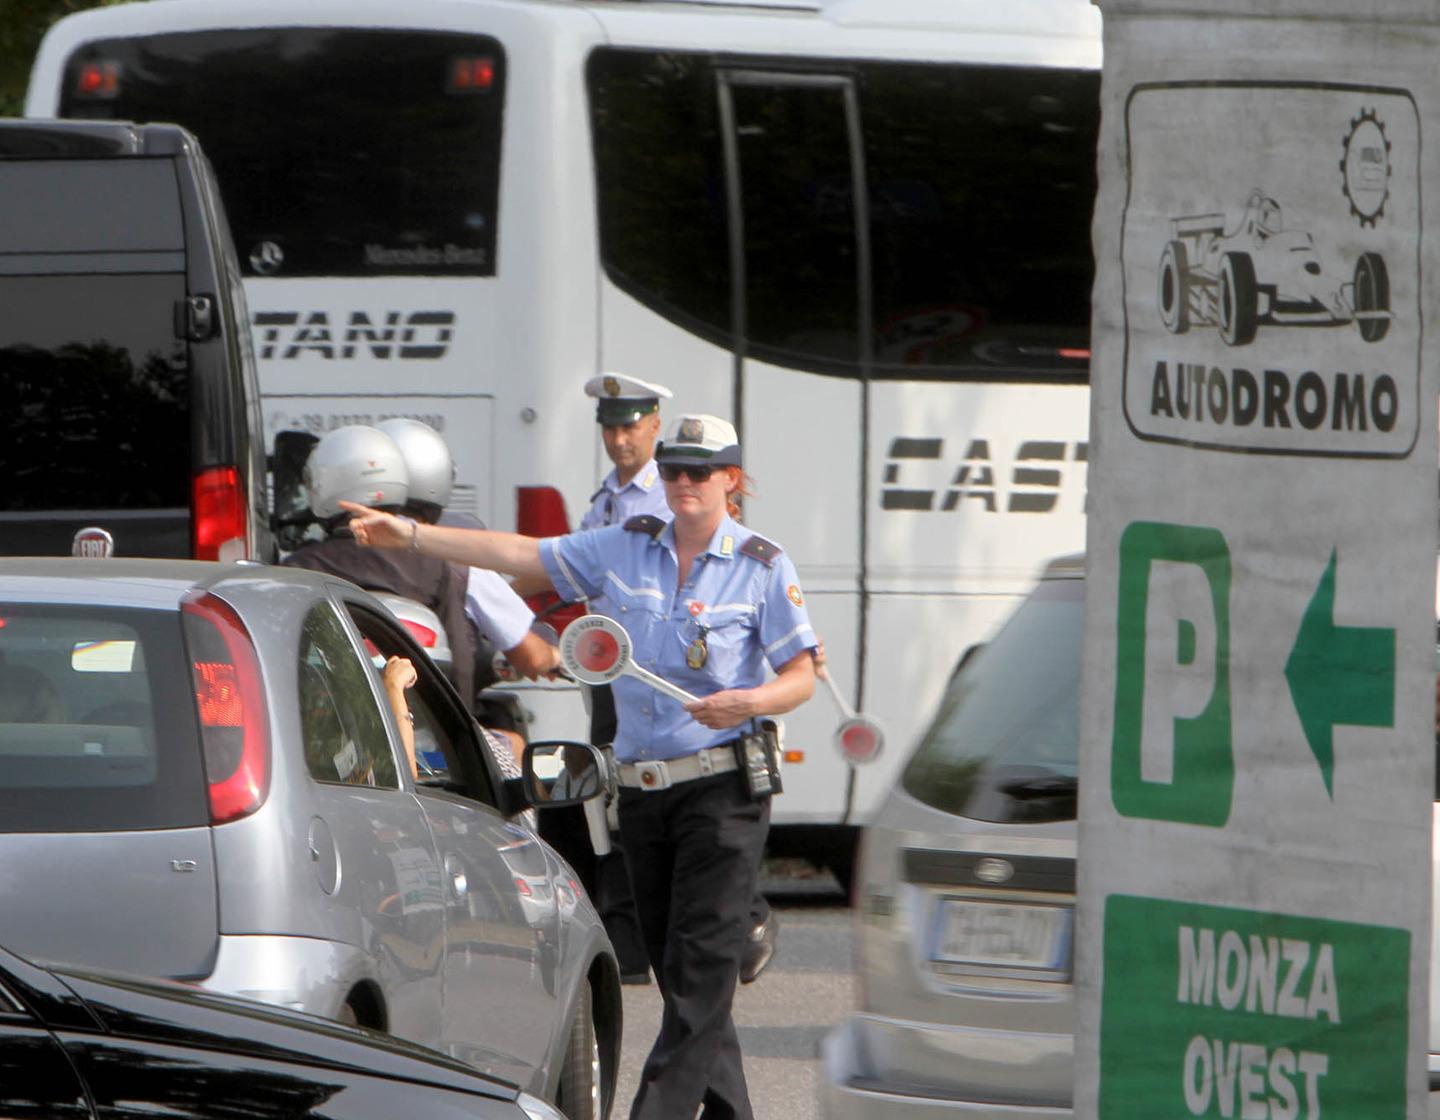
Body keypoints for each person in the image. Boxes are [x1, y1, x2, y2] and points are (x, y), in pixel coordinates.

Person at [340, 413, 817, 1120]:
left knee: (699, 974)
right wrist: (409, 534)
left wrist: (751, 699)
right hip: (645, 794)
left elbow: (801, 675)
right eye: (675, 470)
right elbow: (518, 553)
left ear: (730, 481)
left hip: (724, 792)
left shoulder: (762, 564)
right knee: (681, 971)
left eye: (699, 471)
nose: (681, 483)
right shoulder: (625, 548)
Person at [376, 418, 561, 751]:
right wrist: (554, 656)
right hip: (441, 740)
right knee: (516, 745)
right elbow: (531, 657)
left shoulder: (328, 552)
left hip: (355, 735)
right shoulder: (458, 559)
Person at [281, 424, 476, 714]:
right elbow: (461, 662)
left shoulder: (300, 568)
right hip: (418, 719)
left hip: (332, 724)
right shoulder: (432, 563)